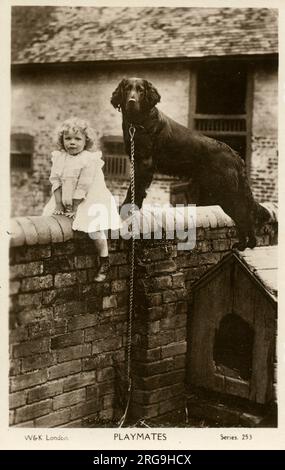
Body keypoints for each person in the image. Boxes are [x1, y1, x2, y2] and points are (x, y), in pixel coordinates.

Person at [43, 117, 121, 281]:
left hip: (90, 197)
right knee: (52, 220)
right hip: (66, 196)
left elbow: (83, 187)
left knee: (93, 228)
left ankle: (104, 260)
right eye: (68, 138)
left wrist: (74, 208)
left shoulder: (89, 159)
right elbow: (55, 180)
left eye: (77, 139)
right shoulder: (59, 157)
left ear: (86, 141)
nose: (72, 143)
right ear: (62, 140)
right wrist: (58, 204)